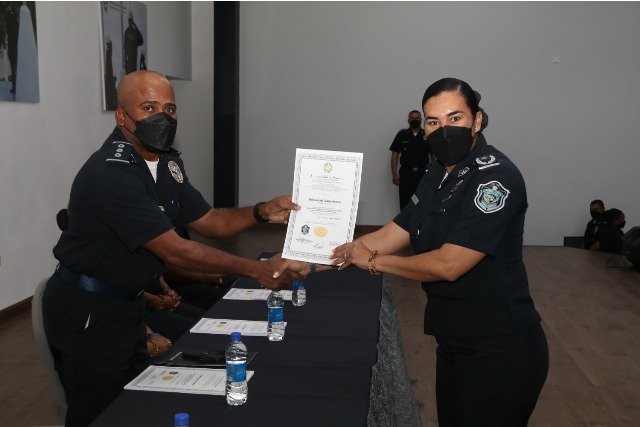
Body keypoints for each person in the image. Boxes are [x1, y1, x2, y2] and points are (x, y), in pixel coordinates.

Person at [278, 77, 549, 427]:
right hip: (455, 340)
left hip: (499, 347)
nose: (444, 130)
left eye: (455, 118)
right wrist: (312, 261)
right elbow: (394, 233)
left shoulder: (495, 178)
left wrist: (372, 262)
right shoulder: (437, 173)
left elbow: (449, 264)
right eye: (434, 122)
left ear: (478, 120)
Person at [42, 70, 301, 427]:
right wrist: (257, 270)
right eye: (149, 108)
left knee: (132, 404)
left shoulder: (166, 162)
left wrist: (261, 211)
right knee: (98, 412)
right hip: (89, 308)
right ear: (123, 117)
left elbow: (210, 220)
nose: (162, 117)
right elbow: (176, 251)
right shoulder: (111, 173)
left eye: (170, 108)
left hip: (128, 302)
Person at [389, 110, 430, 209]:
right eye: (412, 118)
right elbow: (395, 155)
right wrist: (394, 174)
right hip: (406, 174)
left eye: (417, 118)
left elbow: (434, 156)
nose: (415, 120)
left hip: (422, 174)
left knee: (422, 203)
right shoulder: (402, 134)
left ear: (421, 120)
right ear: (408, 120)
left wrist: (435, 173)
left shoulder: (427, 135)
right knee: (405, 204)